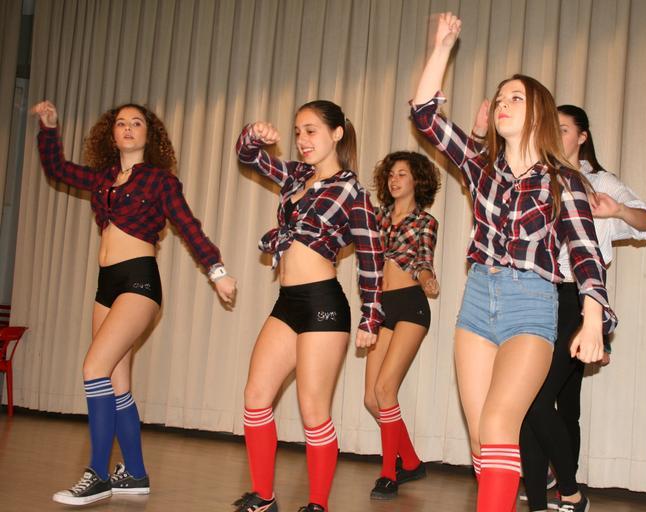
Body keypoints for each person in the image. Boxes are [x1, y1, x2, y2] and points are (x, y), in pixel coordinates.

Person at [410, 13, 616, 512]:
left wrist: (593, 318)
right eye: (500, 97)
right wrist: (442, 48)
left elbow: (585, 252)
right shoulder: (481, 168)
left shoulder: (564, 180)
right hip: (478, 299)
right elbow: (425, 116)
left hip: (532, 302)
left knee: (501, 422)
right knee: (482, 437)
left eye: (516, 98)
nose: (503, 104)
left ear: (538, 113)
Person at [32, 100, 236, 506]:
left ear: (149, 134)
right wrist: (49, 129)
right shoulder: (103, 178)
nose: (127, 128)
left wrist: (216, 270)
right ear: (112, 134)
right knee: (116, 382)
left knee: (94, 368)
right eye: (121, 123)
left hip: (139, 281)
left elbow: (188, 225)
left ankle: (98, 474)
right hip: (106, 284)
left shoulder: (160, 181)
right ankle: (136, 474)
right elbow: (57, 170)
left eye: (136, 123)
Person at [470, 103, 646, 511]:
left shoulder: (598, 181)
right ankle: (543, 499)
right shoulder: (534, 174)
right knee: (532, 401)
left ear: (582, 137)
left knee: (547, 402)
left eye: (565, 128)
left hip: (579, 299)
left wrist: (617, 210)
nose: (556, 133)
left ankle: (568, 490)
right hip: (535, 293)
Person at [233, 100, 383, 512]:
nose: (302, 139)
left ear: (337, 133)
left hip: (323, 304)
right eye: (298, 131)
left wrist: (370, 317)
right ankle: (264, 497)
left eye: (311, 130)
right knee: (256, 396)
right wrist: (253, 135)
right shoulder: (295, 176)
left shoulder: (352, 191)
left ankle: (318, 504)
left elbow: (371, 258)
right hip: (288, 302)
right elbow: (248, 157)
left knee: (313, 410)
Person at [364, 151, 440, 499]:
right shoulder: (377, 217)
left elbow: (423, 259)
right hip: (381, 307)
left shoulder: (425, 221)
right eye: (391, 174)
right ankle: (410, 461)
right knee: (372, 399)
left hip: (411, 305)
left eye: (402, 174)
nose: (394, 180)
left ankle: (388, 474)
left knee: (385, 390)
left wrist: (427, 279)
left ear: (416, 180)